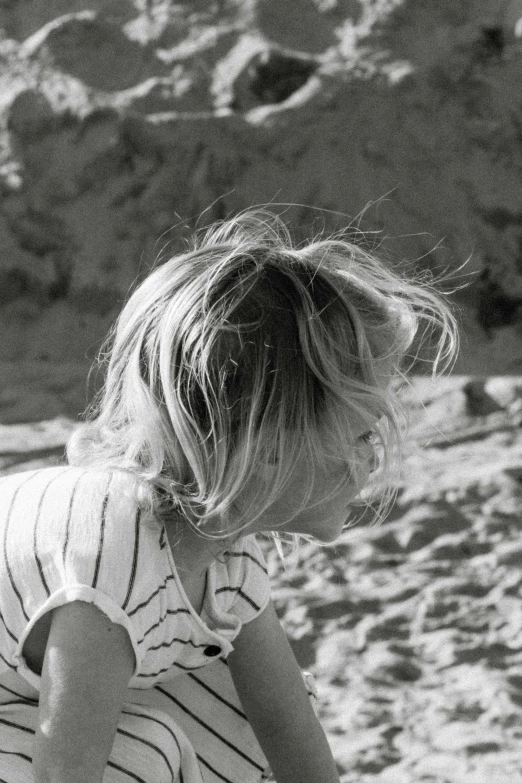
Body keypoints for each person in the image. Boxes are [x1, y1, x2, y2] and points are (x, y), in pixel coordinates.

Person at [0, 209, 458, 783]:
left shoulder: (221, 550)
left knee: (232, 725)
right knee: (152, 752)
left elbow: (287, 727)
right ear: (268, 448)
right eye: (362, 434)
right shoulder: (110, 568)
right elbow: (60, 772)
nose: (374, 458)